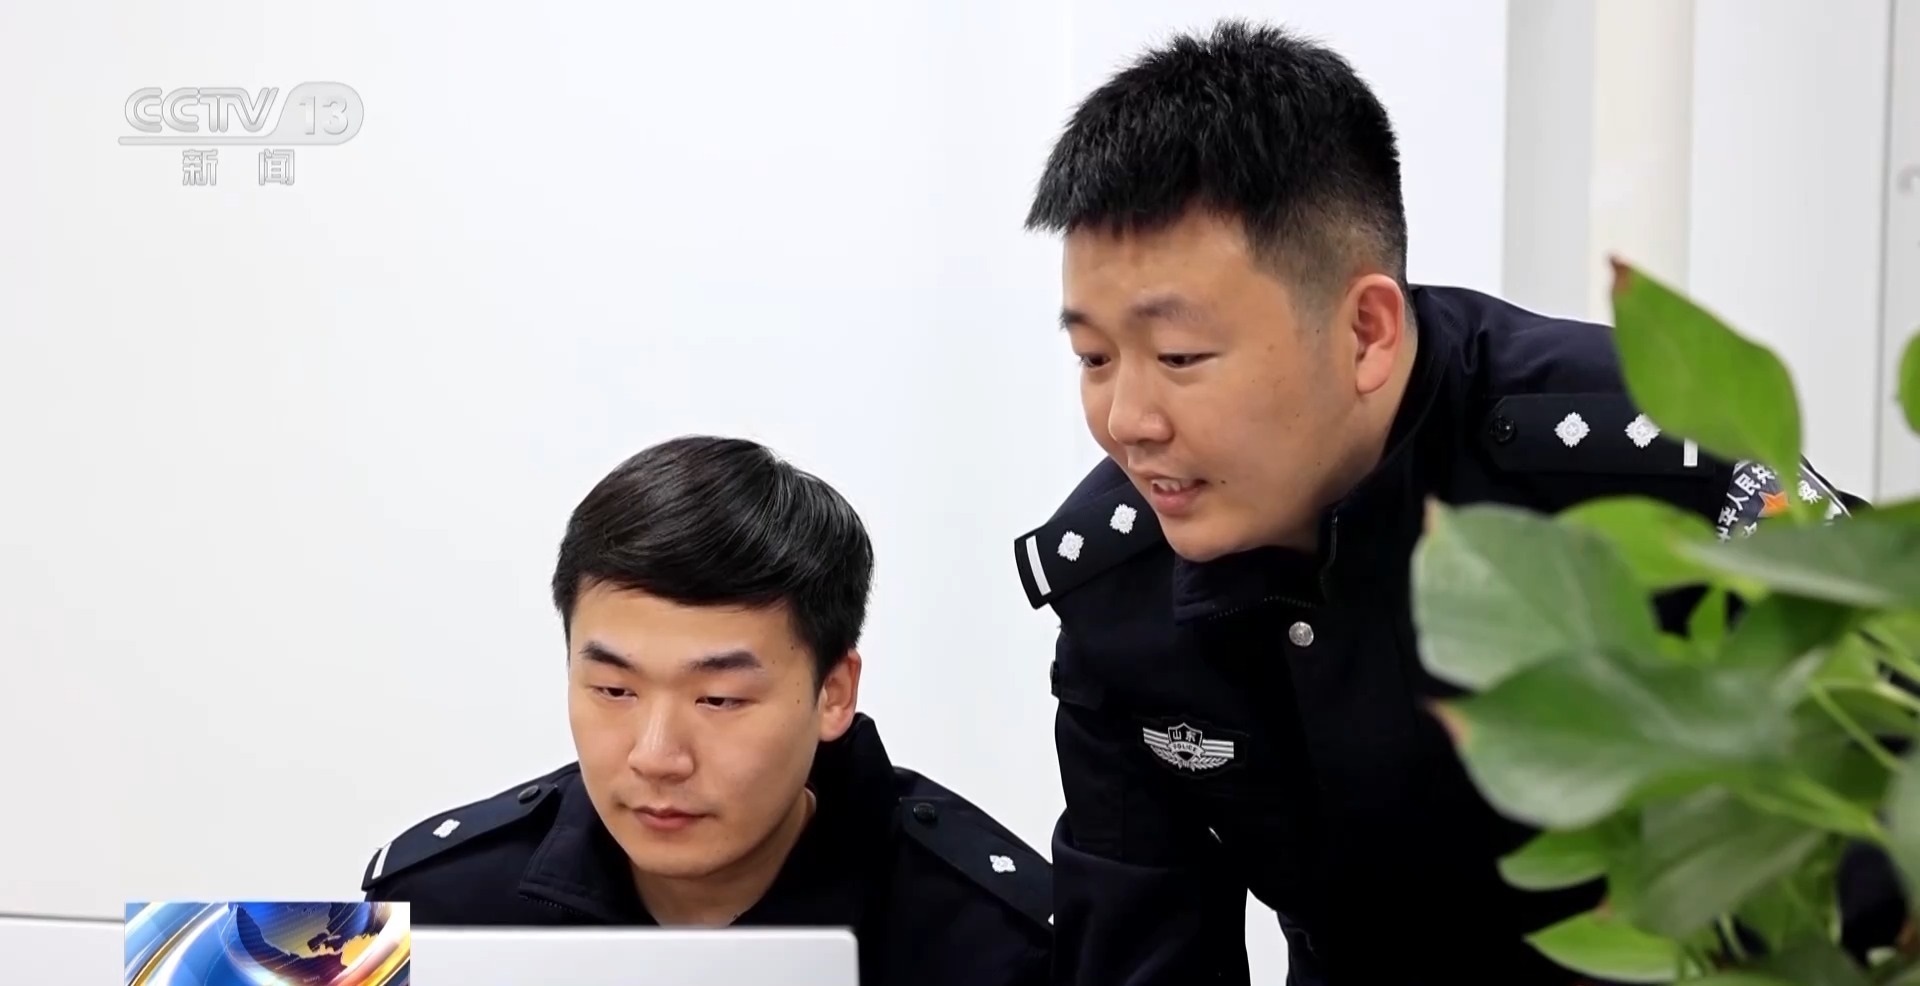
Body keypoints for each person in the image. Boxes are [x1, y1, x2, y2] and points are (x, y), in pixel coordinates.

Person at [1011, 19, 1881, 985]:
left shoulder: (1647, 467)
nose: (1126, 421)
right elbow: (1136, 949)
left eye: (1180, 357)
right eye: (1094, 357)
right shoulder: (1118, 590)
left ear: (1367, 331)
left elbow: (1881, 778)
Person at [364, 435, 1051, 985]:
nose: (657, 757)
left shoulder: (999, 942)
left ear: (834, 692)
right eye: (614, 691)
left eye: (719, 699)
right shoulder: (422, 907)